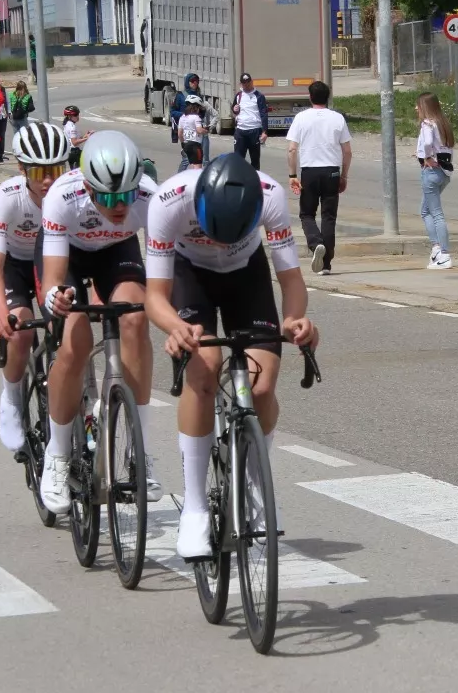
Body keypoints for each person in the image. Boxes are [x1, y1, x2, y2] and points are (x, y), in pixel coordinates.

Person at [145, 153, 316, 560]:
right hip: (191, 276)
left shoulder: (270, 196)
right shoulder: (169, 202)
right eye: (214, 232)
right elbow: (154, 295)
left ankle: (256, 481)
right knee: (203, 373)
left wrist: (294, 320)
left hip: (246, 274)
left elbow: (291, 280)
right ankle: (196, 507)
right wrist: (175, 329)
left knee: (262, 384)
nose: (220, 242)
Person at [38, 130, 163, 512]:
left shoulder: (148, 197)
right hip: (71, 256)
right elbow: (55, 275)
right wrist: (54, 299)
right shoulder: (63, 196)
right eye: (108, 197)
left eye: (125, 194)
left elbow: (162, 274)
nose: (119, 204)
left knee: (136, 316)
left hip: (116, 253)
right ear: (89, 188)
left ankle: (140, 452)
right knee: (73, 346)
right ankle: (56, 457)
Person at [0, 121, 71, 451]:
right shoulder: (7, 198)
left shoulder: (70, 194)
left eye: (56, 170)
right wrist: (0, 314)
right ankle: (12, 397)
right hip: (15, 267)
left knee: (72, 326)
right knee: (20, 329)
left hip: (52, 263)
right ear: (22, 169)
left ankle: (85, 398)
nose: (48, 181)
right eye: (38, 173)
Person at [285, 80, 351, 275]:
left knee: (307, 214)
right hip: (332, 170)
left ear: (310, 97)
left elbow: (291, 149)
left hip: (310, 171)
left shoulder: (301, 118)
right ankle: (326, 264)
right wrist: (344, 175)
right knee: (329, 216)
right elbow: (347, 151)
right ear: (328, 97)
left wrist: (292, 175)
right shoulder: (337, 118)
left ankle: (316, 243)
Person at [416, 92, 455, 269]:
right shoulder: (443, 123)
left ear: (425, 107)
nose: (416, 109)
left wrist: (427, 157)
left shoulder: (427, 124)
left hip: (431, 172)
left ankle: (443, 253)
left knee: (435, 213)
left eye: (418, 106)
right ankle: (436, 249)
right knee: (425, 211)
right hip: (444, 174)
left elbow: (427, 143)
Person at [231, 72, 269, 169]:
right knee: (238, 160)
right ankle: (239, 181)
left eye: (248, 82)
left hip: (254, 131)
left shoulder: (259, 96)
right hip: (240, 131)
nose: (246, 85)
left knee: (255, 160)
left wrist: (265, 132)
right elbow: (235, 109)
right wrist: (234, 110)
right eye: (244, 83)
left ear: (252, 82)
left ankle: (255, 181)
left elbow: (264, 113)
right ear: (241, 84)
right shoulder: (239, 95)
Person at [170, 72, 211, 160]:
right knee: (186, 160)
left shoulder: (199, 95)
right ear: (187, 82)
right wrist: (185, 115)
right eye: (192, 81)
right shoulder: (180, 95)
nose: (195, 83)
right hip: (187, 130)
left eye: (197, 81)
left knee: (203, 158)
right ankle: (182, 174)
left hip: (198, 129)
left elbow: (202, 112)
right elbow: (172, 112)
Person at [176, 96, 205, 171]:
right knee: (197, 169)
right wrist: (205, 130)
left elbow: (179, 133)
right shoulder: (196, 117)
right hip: (196, 145)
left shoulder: (182, 117)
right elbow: (199, 130)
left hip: (187, 145)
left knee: (192, 168)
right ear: (196, 107)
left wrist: (183, 143)